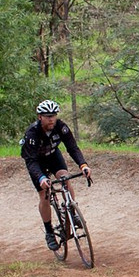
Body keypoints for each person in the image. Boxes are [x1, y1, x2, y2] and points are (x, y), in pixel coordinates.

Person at [20, 99, 92, 250]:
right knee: (44, 193)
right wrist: (41, 178)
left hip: (53, 156)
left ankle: (71, 211)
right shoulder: (32, 134)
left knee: (65, 178)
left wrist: (83, 164)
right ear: (40, 117)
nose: (51, 118)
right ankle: (49, 232)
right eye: (47, 116)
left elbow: (72, 147)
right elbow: (31, 161)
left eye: (53, 115)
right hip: (36, 163)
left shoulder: (61, 127)